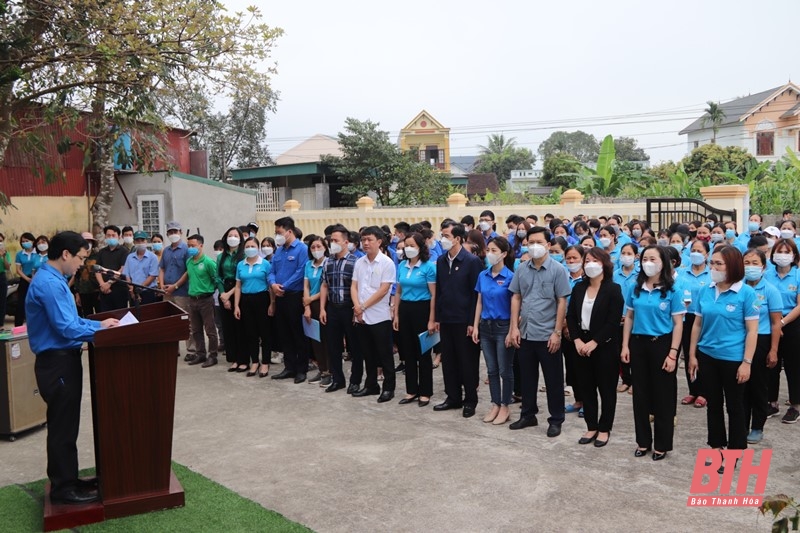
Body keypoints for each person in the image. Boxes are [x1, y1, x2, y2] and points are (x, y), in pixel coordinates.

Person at [27, 231, 119, 504]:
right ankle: (63, 489)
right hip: (57, 362)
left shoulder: (53, 279)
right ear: (65, 254)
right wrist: (100, 329)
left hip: (62, 359)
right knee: (62, 427)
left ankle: (69, 479)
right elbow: (66, 327)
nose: (81, 264)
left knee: (66, 425)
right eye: (80, 257)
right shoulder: (50, 284)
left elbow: (70, 320)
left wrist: (98, 325)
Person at [688, 245, 758, 472]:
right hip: (707, 356)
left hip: (733, 359)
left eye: (719, 264)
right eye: (712, 263)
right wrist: (692, 355)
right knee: (714, 404)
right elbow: (697, 324)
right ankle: (716, 446)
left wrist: (746, 362)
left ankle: (735, 451)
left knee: (735, 406)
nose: (714, 268)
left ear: (733, 266)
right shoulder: (705, 290)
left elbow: (752, 331)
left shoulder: (746, 293)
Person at [621, 245, 684, 461]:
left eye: (653, 258)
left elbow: (678, 324)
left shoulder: (673, 289)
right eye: (645, 258)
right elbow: (629, 317)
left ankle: (662, 444)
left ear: (663, 262)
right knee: (640, 395)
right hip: (638, 344)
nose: (648, 262)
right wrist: (625, 345)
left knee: (663, 396)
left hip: (662, 344)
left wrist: (673, 353)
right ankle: (643, 441)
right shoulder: (635, 288)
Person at [507, 226, 572, 437]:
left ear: (548, 244)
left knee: (553, 380)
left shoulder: (558, 270)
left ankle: (556, 419)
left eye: (538, 242)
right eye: (530, 242)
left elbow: (562, 301)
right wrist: (514, 328)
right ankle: (528, 414)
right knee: (527, 378)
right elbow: (516, 296)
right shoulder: (522, 268)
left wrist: (557, 332)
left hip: (547, 334)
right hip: (525, 332)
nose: (534, 246)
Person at [566, 248, 624, 447]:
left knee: (607, 390)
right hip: (581, 344)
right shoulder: (579, 288)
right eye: (587, 260)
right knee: (586, 387)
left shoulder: (613, 289)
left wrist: (595, 342)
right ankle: (591, 426)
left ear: (604, 264)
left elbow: (613, 321)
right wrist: (577, 340)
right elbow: (571, 316)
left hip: (604, 346)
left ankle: (604, 428)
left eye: (595, 260)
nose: (590, 264)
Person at [433, 220, 483, 418]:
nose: (442, 239)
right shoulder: (441, 260)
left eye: (446, 236)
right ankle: (452, 397)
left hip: (465, 321)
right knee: (450, 361)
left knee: (467, 362)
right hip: (446, 319)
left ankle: (470, 400)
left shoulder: (471, 261)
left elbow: (476, 295)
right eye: (442, 235)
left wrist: (473, 322)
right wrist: (437, 317)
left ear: (458, 239)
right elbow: (439, 290)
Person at [471, 236, 516, 425]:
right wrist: (475, 325)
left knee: (505, 370)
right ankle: (495, 403)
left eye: (494, 250)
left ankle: (505, 405)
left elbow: (515, 305)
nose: (489, 254)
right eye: (488, 250)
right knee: (491, 370)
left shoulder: (511, 277)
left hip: (503, 327)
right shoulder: (483, 275)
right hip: (486, 326)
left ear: (504, 254)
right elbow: (479, 301)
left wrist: (512, 329)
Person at [351, 227, 397, 402]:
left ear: (379, 241)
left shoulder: (386, 263)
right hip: (361, 316)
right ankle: (371, 385)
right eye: (363, 240)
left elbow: (384, 290)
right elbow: (354, 286)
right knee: (367, 353)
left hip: (379, 316)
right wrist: (357, 308)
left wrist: (362, 307)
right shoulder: (359, 262)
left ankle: (388, 388)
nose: (366, 243)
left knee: (384, 354)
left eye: (369, 240)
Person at [742, 248, 782, 443]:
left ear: (764, 267)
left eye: (755, 263)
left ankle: (757, 426)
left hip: (762, 341)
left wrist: (773, 350)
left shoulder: (770, 291)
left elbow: (776, 323)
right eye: (746, 263)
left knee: (758, 387)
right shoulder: (737, 287)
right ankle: (740, 424)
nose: (750, 267)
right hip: (739, 341)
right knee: (740, 386)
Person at [393, 232, 436, 406]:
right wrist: (395, 314)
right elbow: (398, 291)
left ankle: (425, 392)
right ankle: (411, 390)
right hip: (405, 309)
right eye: (406, 246)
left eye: (412, 246)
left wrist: (432, 319)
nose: (408, 249)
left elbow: (434, 294)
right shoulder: (402, 265)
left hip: (423, 309)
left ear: (420, 247)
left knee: (423, 353)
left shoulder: (428, 267)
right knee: (408, 352)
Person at [319, 225, 363, 393]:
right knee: (333, 346)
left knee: (355, 347)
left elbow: (359, 288)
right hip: (333, 308)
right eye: (331, 241)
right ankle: (338, 379)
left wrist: (357, 309)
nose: (332, 243)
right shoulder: (328, 261)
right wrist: (323, 309)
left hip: (349, 308)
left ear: (346, 242)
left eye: (336, 240)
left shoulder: (355, 262)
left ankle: (355, 380)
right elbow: (324, 285)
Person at [763, 238, 800, 423]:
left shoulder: (798, 275)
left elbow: (799, 306)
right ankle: (772, 402)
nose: (783, 256)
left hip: (791, 324)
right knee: (771, 364)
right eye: (779, 251)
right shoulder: (767, 274)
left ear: (794, 255)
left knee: (793, 366)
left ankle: (795, 405)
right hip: (769, 323)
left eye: (787, 252)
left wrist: (782, 323)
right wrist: (774, 323)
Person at [269, 217, 310, 383]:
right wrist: (273, 284)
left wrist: (283, 286)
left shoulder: (302, 249)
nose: (277, 235)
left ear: (289, 231)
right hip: (280, 296)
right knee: (284, 333)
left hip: (294, 295)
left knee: (298, 333)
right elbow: (271, 270)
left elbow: (301, 272)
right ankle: (289, 367)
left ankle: (302, 369)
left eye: (279, 232)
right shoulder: (279, 251)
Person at [678, 239, 712, 408]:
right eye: (693, 250)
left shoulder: (711, 274)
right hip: (686, 316)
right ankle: (693, 390)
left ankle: (704, 392)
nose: (696, 254)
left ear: (707, 254)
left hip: (705, 318)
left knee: (702, 353)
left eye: (700, 251)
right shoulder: (682, 273)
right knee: (688, 351)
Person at [234, 237, 272, 377]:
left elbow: (270, 286)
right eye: (247, 246)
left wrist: (272, 304)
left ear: (258, 248)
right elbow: (238, 286)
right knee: (250, 332)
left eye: (253, 246)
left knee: (265, 332)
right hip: (246, 300)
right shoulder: (240, 265)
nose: (250, 248)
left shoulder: (266, 264)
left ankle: (265, 362)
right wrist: (237, 306)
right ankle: (254, 361)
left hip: (262, 299)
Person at [185, 234, 221, 368]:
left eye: (193, 246)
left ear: (201, 245)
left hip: (205, 299)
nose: (190, 248)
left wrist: (210, 289)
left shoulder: (209, 262)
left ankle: (213, 355)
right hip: (192, 299)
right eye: (189, 246)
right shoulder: (189, 262)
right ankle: (200, 354)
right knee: (195, 329)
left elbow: (217, 279)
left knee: (210, 329)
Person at [160, 221, 194, 360]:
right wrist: (162, 285)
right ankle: (173, 348)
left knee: (187, 321)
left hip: (182, 292)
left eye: (176, 231)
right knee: (169, 322)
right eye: (171, 232)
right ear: (167, 234)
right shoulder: (166, 251)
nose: (173, 234)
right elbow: (162, 268)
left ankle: (191, 350)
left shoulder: (186, 249)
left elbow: (188, 271)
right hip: (167, 292)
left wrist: (176, 286)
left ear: (180, 232)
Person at [217, 228, 245, 372]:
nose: (232, 238)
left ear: (240, 239)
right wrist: (223, 295)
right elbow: (218, 277)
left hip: (239, 291)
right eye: (230, 235)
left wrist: (229, 295)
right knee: (228, 327)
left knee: (240, 327)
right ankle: (233, 358)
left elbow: (242, 279)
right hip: (224, 291)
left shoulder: (244, 255)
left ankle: (243, 359)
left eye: (235, 236)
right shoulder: (221, 256)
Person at [303, 235, 329, 385]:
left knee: (326, 339)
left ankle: (329, 371)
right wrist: (307, 306)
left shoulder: (328, 263)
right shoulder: (308, 265)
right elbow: (306, 286)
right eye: (313, 247)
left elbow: (326, 287)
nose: (316, 250)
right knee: (315, 339)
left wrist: (311, 299)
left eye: (319, 246)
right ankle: (321, 369)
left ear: (325, 248)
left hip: (323, 304)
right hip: (310, 304)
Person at [94, 225, 130, 312]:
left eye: (113, 235)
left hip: (119, 290)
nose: (111, 237)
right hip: (104, 291)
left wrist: (109, 283)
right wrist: (102, 284)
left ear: (119, 236)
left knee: (120, 316)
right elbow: (97, 269)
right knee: (105, 315)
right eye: (108, 235)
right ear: (105, 236)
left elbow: (122, 269)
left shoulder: (124, 251)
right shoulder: (102, 252)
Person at [123, 230, 160, 305]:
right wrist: (131, 289)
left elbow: (152, 275)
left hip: (148, 291)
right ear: (134, 242)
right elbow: (126, 274)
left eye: (142, 240)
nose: (140, 243)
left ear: (146, 241)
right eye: (137, 241)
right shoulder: (130, 257)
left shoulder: (152, 257)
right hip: (133, 291)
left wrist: (139, 289)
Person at [14, 232, 39, 326]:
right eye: (23, 241)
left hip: (37, 280)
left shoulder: (38, 253)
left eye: (27, 241)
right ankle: (18, 325)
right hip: (25, 279)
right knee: (21, 303)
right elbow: (18, 270)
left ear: (32, 241)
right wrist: (27, 279)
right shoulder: (19, 254)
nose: (25, 243)